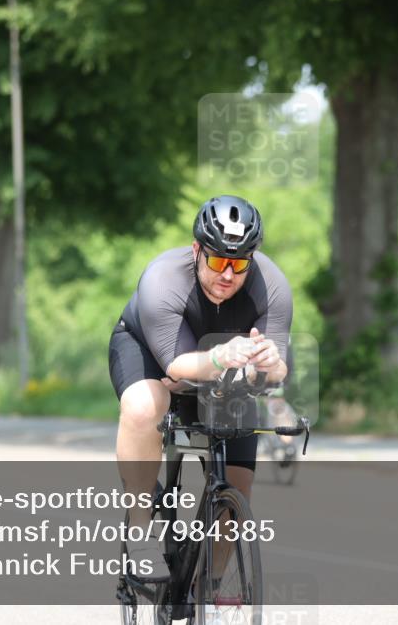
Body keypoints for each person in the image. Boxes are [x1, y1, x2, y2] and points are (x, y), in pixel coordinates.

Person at [109, 196, 292, 584]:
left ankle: (206, 589)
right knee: (147, 404)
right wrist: (224, 356)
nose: (228, 274)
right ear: (196, 250)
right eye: (217, 260)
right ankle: (140, 528)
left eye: (239, 263)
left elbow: (276, 374)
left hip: (224, 368)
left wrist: (270, 362)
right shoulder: (163, 279)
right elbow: (177, 367)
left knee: (238, 484)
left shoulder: (272, 288)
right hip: (151, 353)